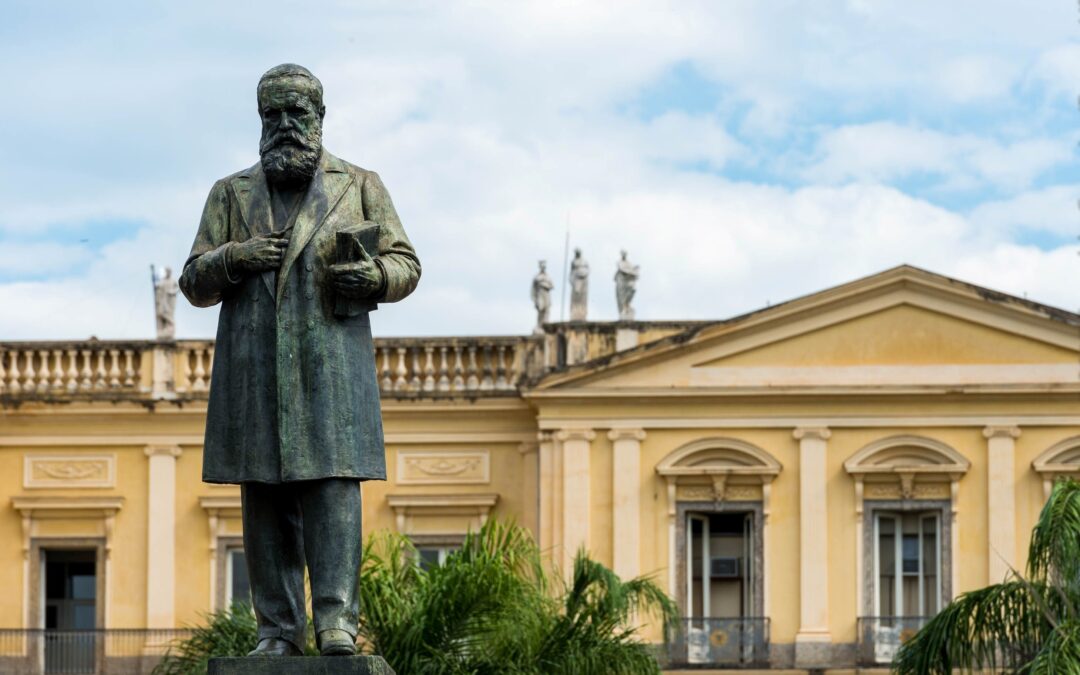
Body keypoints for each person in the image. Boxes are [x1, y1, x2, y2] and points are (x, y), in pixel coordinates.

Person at [179, 64, 420, 657]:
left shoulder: (359, 184)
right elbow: (193, 282)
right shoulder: (229, 194)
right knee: (264, 501)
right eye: (274, 114)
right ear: (261, 119)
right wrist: (235, 257)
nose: (285, 124)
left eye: (297, 112)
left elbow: (406, 264)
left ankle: (336, 622)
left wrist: (375, 275)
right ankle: (277, 631)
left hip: (330, 371)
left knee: (333, 495)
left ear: (320, 117)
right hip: (254, 372)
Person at [531, 260, 554, 331]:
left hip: (546, 295)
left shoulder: (548, 277)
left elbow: (552, 286)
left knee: (546, 310)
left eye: (544, 266)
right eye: (542, 266)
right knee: (541, 309)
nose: (543, 267)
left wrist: (545, 285)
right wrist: (534, 300)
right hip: (539, 294)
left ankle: (545, 326)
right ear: (540, 267)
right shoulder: (536, 277)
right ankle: (539, 325)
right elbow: (533, 290)